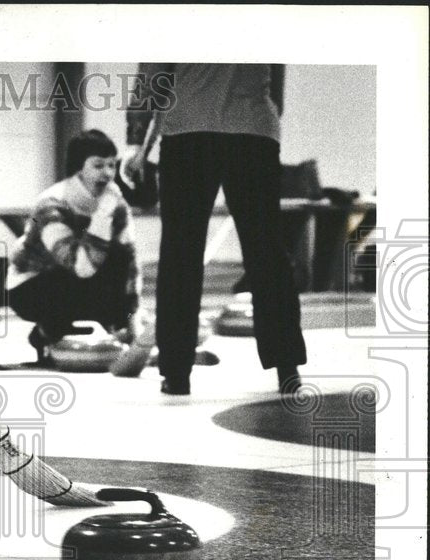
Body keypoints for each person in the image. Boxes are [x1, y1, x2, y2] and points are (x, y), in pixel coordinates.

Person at [125, 63, 306, 395]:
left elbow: (153, 76)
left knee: (181, 252)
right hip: (254, 129)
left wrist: (138, 142)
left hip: (188, 131)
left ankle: (176, 373)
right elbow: (276, 83)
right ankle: (287, 367)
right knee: (266, 251)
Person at [7, 129, 143, 364]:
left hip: (77, 279)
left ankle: (73, 328)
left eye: (112, 165)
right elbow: (81, 268)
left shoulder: (115, 203)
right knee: (72, 278)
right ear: (79, 168)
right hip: (32, 286)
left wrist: (132, 323)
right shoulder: (51, 204)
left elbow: (131, 265)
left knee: (120, 256)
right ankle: (46, 332)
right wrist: (102, 214)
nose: (108, 174)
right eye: (98, 166)